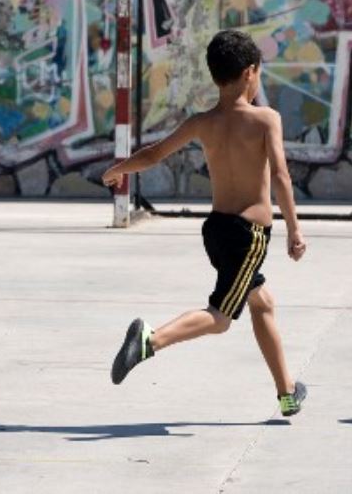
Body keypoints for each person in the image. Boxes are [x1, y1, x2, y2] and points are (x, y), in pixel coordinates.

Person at [100, 28, 310, 417]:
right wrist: (295, 230)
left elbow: (153, 154)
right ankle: (151, 340)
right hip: (249, 236)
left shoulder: (203, 122)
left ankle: (286, 392)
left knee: (261, 301)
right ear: (250, 72)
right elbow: (280, 176)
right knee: (220, 318)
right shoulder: (266, 119)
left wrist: (119, 169)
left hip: (216, 231)